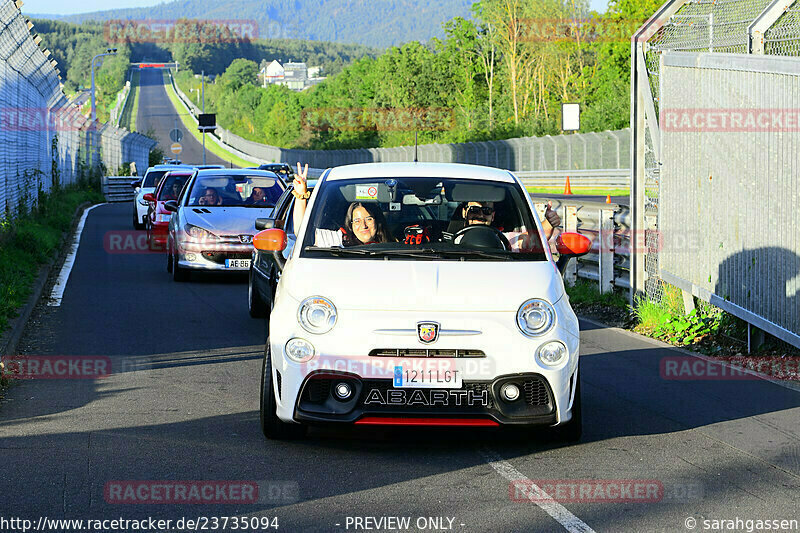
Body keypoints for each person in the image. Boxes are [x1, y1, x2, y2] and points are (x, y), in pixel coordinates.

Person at [291, 163, 393, 247]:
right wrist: (301, 195)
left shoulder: (397, 245)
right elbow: (302, 233)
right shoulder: (338, 241)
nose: (363, 226)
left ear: (377, 221)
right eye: (357, 221)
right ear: (351, 225)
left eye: (369, 219)